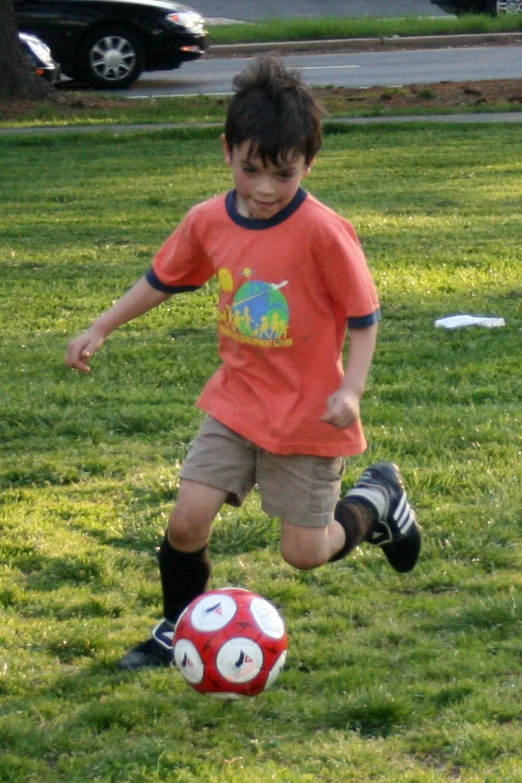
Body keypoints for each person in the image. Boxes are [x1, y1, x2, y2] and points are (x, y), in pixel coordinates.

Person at [65, 56, 421, 670]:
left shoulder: (325, 232)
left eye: (281, 175)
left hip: (309, 415)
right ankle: (177, 627)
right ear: (225, 150)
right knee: (186, 522)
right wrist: (102, 325)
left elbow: (364, 317)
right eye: (250, 169)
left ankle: (378, 501)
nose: (262, 189)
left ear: (309, 163)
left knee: (304, 552)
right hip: (236, 400)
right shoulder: (209, 219)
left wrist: (353, 390)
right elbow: (162, 279)